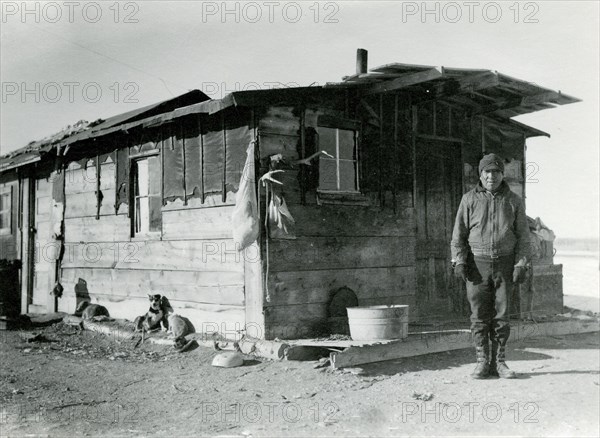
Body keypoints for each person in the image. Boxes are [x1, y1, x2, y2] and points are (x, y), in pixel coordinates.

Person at [451, 153, 532, 379]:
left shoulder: (514, 200)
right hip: (477, 266)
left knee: (502, 316)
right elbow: (458, 236)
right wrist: (459, 260)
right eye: (487, 172)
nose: (491, 176)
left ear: (501, 175)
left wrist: (521, 264)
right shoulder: (468, 200)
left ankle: (500, 363)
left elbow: (524, 238)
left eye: (496, 172)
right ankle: (482, 362)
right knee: (479, 316)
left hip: (505, 266)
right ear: (481, 174)